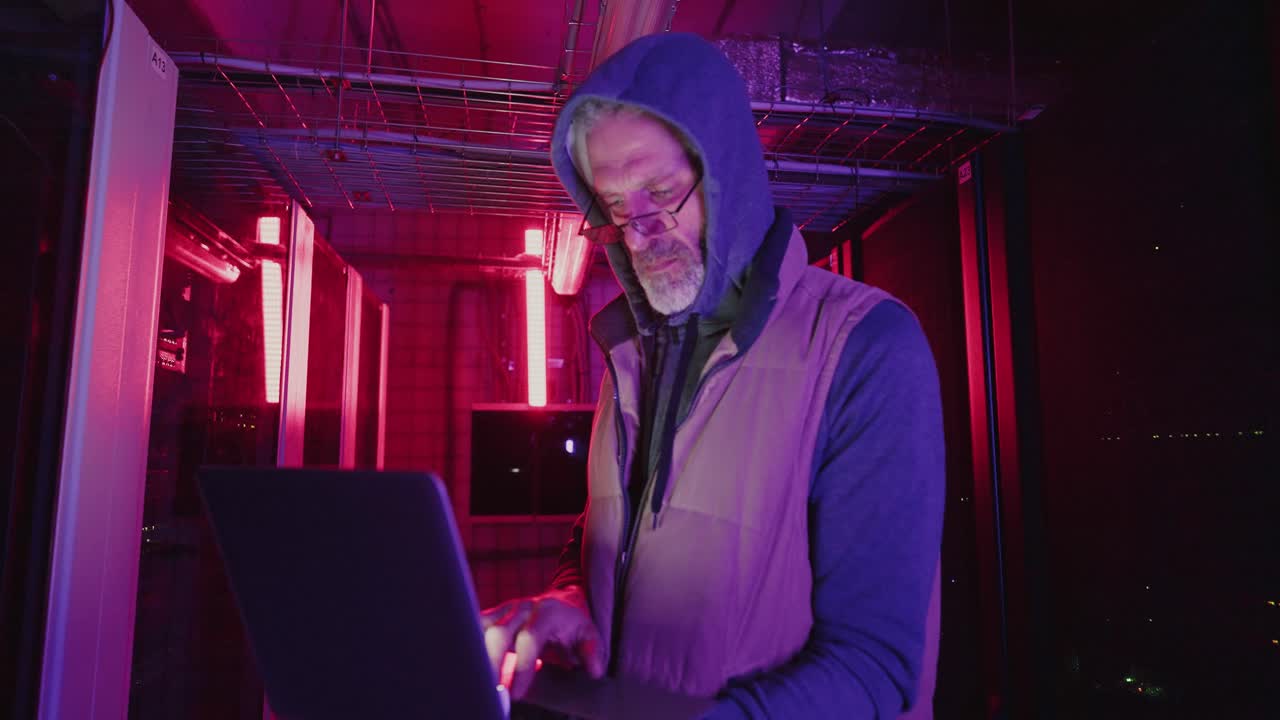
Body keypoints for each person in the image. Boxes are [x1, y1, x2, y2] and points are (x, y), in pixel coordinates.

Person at [481, 32, 945, 719]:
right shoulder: (628, 358)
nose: (640, 234)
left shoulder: (867, 346)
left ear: (725, 171)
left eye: (661, 193)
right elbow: (606, 535)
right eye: (614, 210)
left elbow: (877, 669)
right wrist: (568, 595)